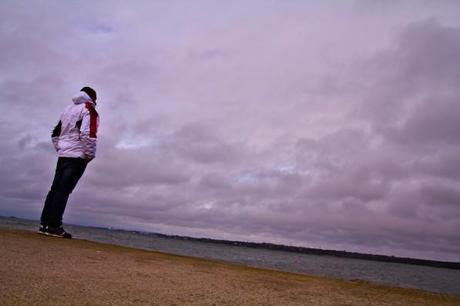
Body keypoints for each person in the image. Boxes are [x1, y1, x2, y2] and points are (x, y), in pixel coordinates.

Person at [39, 87, 99, 238]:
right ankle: (54, 226)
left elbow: (55, 133)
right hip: (77, 155)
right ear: (92, 98)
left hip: (64, 154)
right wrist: (89, 154)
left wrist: (61, 149)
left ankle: (44, 224)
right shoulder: (89, 109)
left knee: (55, 188)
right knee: (64, 190)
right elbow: (88, 133)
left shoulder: (67, 110)